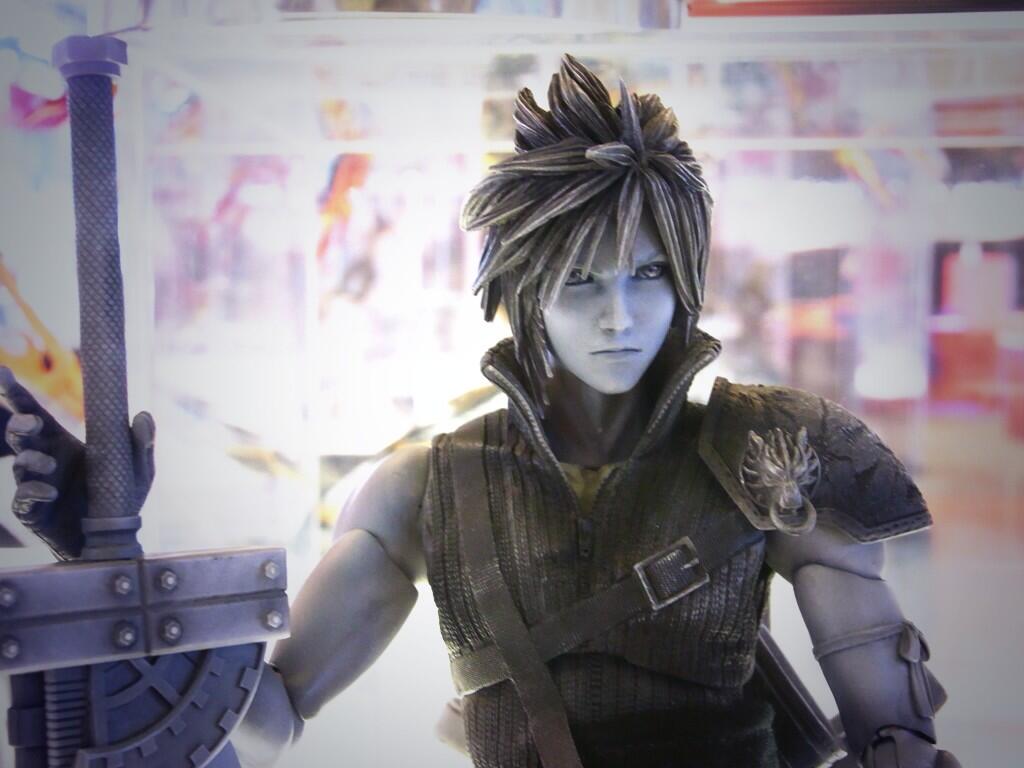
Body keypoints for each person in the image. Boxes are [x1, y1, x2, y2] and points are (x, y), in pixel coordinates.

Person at [2, 55, 959, 768]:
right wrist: (107, 568)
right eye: (581, 280)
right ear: (525, 291)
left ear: (686, 279)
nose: (620, 315)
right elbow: (268, 717)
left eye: (648, 274)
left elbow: (894, 738)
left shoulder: (770, 450)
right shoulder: (426, 488)